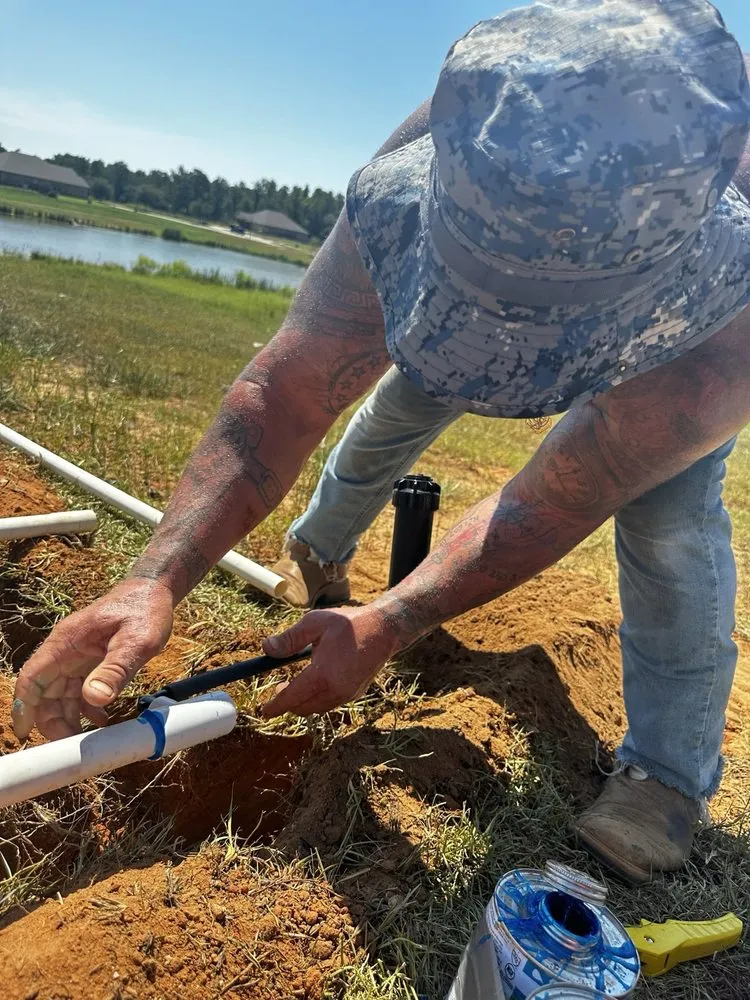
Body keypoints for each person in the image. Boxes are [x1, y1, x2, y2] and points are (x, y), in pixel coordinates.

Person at [11, 0, 750, 885]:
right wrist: (155, 576)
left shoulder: (722, 326)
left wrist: (393, 620)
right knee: (405, 396)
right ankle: (322, 546)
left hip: (674, 339)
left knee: (668, 520)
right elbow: (283, 390)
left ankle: (666, 775)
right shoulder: (443, 161)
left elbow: (561, 493)